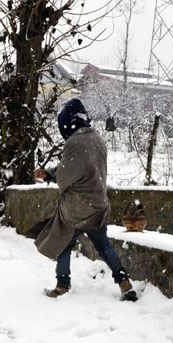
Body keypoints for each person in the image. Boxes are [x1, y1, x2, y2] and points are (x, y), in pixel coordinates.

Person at [32, 98, 137, 301]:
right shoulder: (97, 138)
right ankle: (124, 282)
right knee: (104, 246)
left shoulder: (74, 142)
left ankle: (62, 285)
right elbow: (85, 170)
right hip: (99, 205)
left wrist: (52, 175)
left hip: (77, 209)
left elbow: (66, 177)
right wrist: (50, 174)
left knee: (62, 241)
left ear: (68, 122)